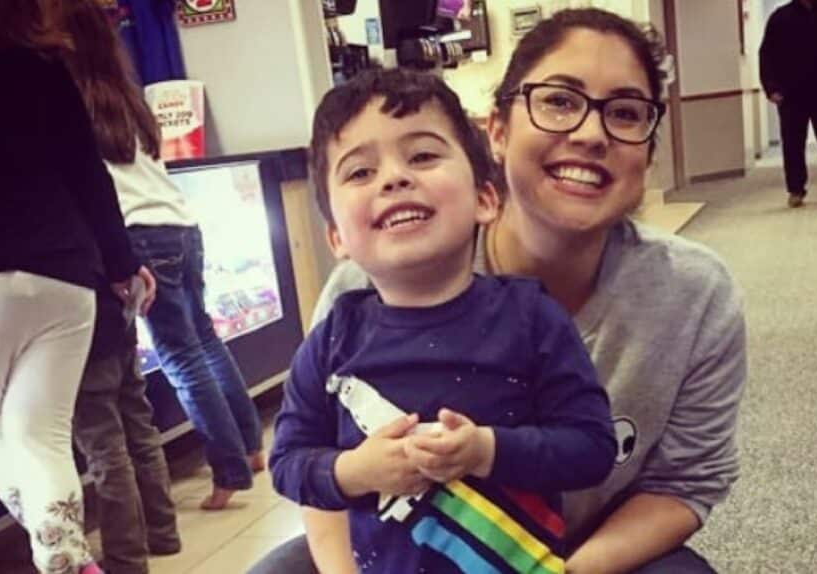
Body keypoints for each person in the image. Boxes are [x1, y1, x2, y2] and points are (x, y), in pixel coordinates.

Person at [252, 8, 745, 574]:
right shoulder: (363, 292)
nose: (590, 134)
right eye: (559, 101)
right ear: (498, 132)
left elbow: (683, 482)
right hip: (394, 544)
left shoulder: (692, 295)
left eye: (626, 113)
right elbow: (305, 462)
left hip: (581, 548)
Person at [269, 67, 617, 574]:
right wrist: (353, 471)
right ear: (337, 238)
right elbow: (288, 464)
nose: (394, 177)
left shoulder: (532, 319)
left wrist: (485, 451)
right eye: (360, 172)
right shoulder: (331, 343)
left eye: (424, 156)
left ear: (484, 198)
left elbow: (592, 449)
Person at [53, 0, 264, 510]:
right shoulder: (127, 99)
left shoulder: (70, 104)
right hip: (183, 227)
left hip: (139, 236)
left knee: (181, 359)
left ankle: (230, 471)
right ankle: (252, 447)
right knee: (206, 343)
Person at [0, 1, 153, 572]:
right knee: (39, 435)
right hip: (67, 273)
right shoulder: (42, 66)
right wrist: (123, 264)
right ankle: (67, 559)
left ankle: (68, 556)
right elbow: (88, 175)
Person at [71, 285, 180, 573]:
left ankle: (126, 559)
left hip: (79, 333)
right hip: (117, 320)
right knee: (142, 432)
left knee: (106, 451)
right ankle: (165, 533)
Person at [760, 0, 817, 209]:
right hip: (791, 93)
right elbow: (766, 54)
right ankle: (795, 189)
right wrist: (771, 88)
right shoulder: (780, 17)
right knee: (793, 142)